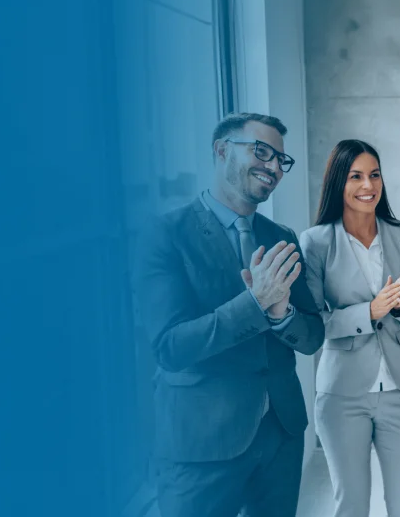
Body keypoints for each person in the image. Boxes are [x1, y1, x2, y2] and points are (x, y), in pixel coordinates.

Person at [131, 112, 325, 517]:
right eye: (262, 152)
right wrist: (253, 305)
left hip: (280, 436)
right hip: (201, 445)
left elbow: (312, 336)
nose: (273, 166)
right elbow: (169, 347)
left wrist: (281, 312)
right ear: (222, 150)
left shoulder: (282, 237)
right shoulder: (164, 234)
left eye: (281, 160)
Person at [297, 140, 400, 517]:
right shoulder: (316, 242)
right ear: (339, 182)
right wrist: (368, 311)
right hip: (342, 396)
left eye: (374, 174)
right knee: (351, 507)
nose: (367, 185)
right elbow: (314, 324)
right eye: (356, 176)